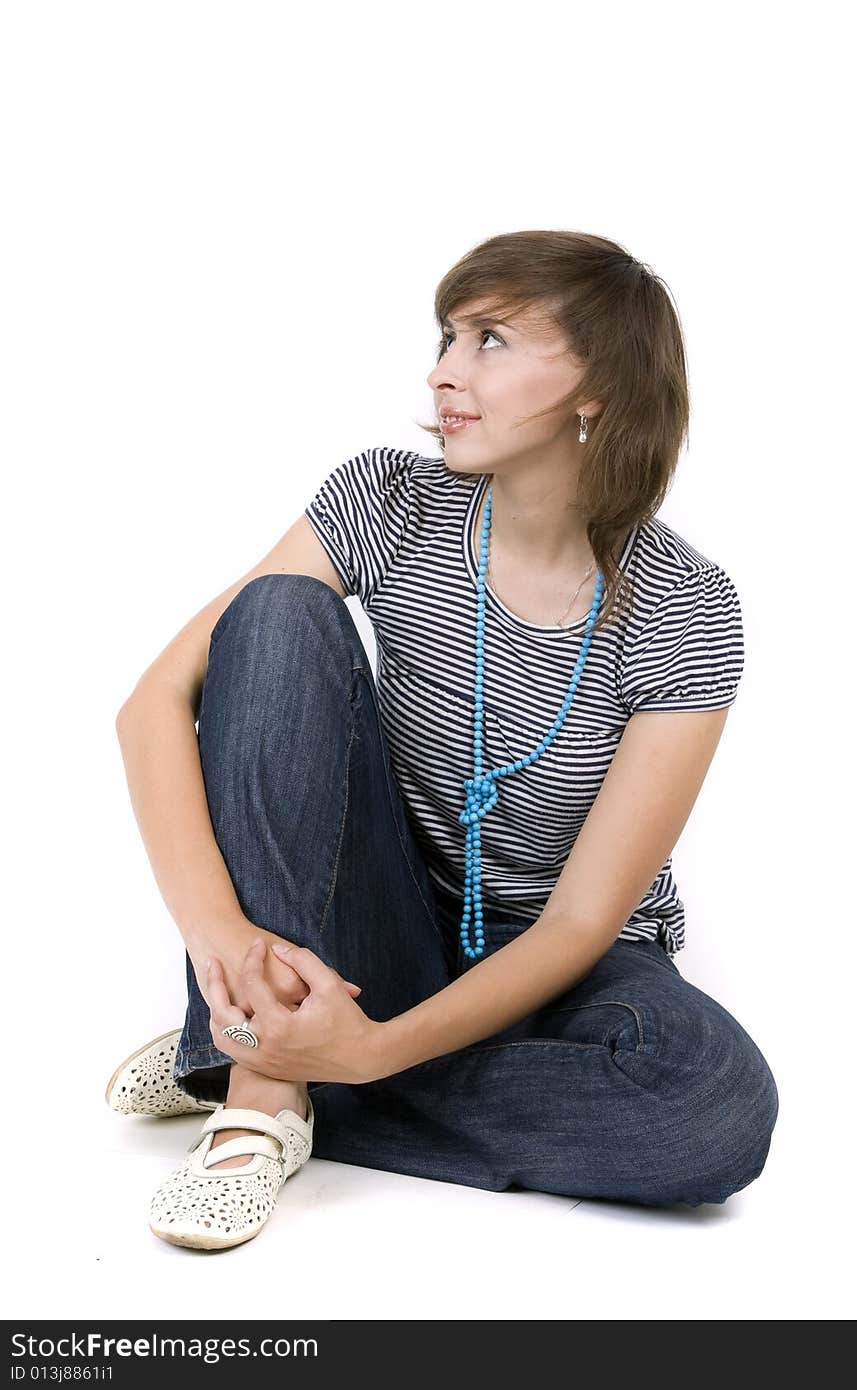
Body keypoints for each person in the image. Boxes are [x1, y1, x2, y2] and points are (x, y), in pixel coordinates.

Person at [109, 230, 779, 1251]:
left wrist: (371, 1054)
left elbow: (578, 925)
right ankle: (262, 1080)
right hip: (377, 925)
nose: (443, 371)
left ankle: (263, 1063)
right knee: (277, 614)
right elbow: (151, 704)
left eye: (492, 339)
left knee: (712, 1105)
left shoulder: (686, 608)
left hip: (556, 959)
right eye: (449, 336)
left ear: (598, 385)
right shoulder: (385, 499)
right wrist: (221, 942)